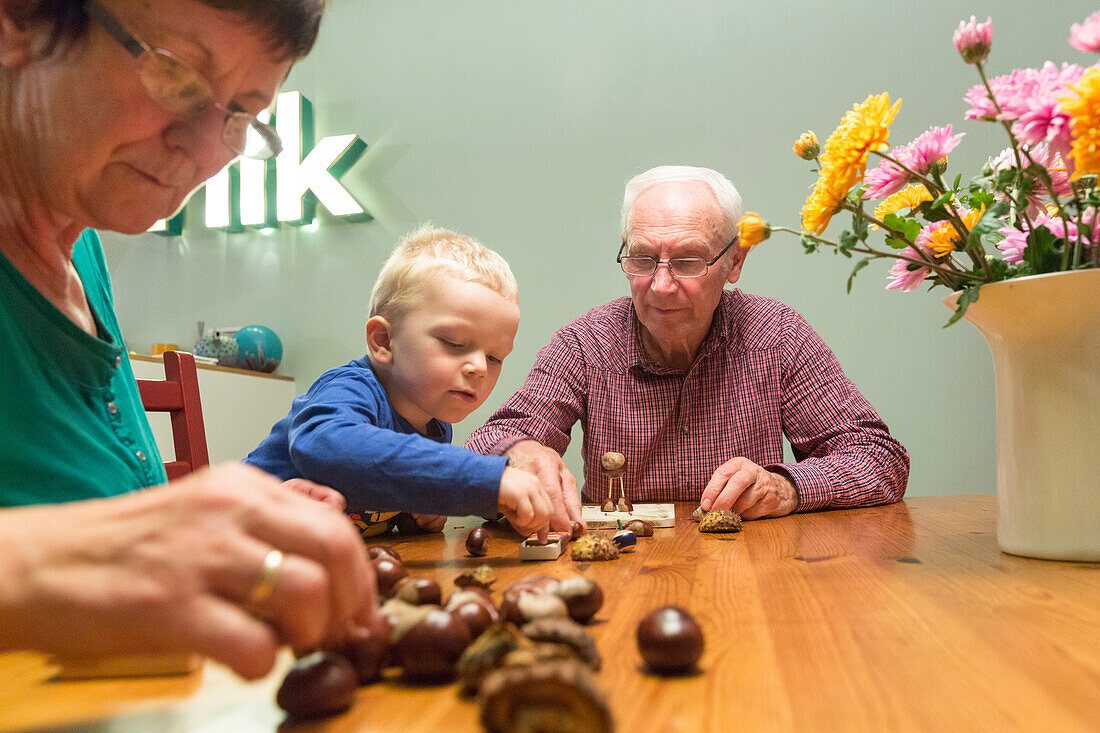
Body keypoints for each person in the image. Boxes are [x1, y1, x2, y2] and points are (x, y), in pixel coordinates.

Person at [0, 0, 375, 677]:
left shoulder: (77, 244)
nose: (205, 152)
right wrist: (43, 560)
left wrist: (217, 530)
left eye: (239, 117)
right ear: (19, 19)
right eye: (178, 78)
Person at [466, 165, 910, 519]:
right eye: (642, 258)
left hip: (752, 579)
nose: (660, 285)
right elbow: (486, 443)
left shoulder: (776, 335)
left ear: (734, 261)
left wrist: (788, 486)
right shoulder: (587, 343)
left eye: (687, 260)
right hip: (621, 568)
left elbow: (879, 459)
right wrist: (520, 454)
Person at [245, 225, 555, 539]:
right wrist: (484, 478)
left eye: (495, 357)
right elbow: (325, 447)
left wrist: (419, 513)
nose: (479, 367)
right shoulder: (349, 388)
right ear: (384, 341)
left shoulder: (435, 427)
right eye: (455, 343)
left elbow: (377, 495)